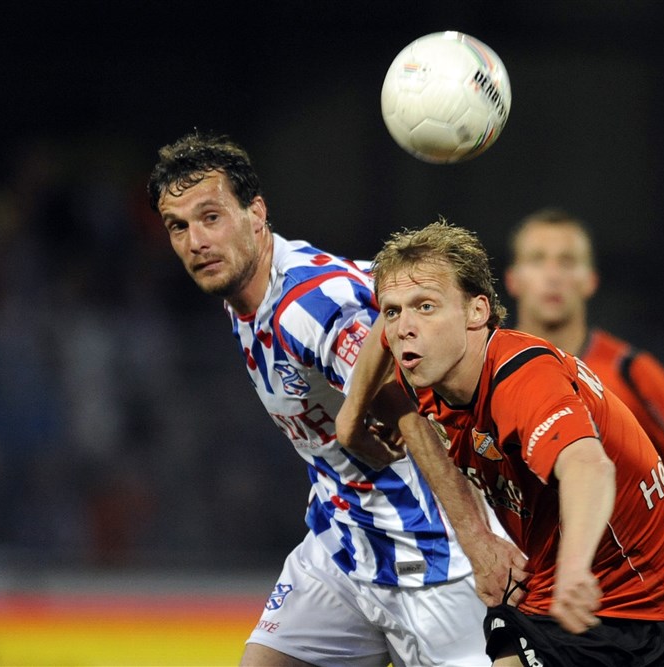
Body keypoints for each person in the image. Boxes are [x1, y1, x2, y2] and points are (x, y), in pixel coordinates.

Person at [147, 132, 525, 667]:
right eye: (178, 227)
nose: (196, 241)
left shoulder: (314, 305)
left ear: (256, 213)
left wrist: (479, 540)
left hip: (432, 559)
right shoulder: (243, 292)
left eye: (211, 217)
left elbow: (414, 413)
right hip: (341, 549)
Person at [344, 220, 664, 666]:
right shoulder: (428, 370)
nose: (404, 327)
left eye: (426, 306)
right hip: (556, 599)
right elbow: (381, 343)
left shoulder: (521, 377)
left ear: (477, 312)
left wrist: (573, 570)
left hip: (659, 608)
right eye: (393, 311)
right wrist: (349, 421)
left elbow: (589, 467)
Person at [504, 208, 664, 550]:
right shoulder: (483, 368)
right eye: (538, 260)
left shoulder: (628, 370)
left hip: (615, 578)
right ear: (513, 279)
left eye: (567, 261)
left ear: (590, 280)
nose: (553, 275)